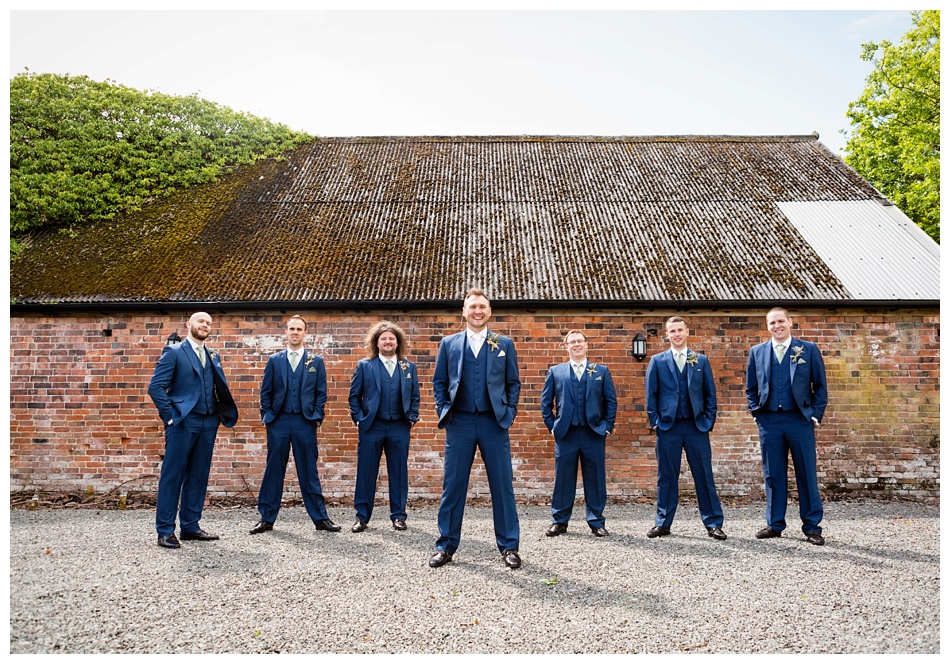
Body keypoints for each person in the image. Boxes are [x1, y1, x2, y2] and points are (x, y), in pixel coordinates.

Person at [429, 288, 522, 569]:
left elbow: (513, 383)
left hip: (494, 423)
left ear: (489, 311)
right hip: (460, 422)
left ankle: (509, 547)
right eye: (472, 307)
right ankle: (445, 546)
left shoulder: (503, 343)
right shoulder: (449, 343)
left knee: (502, 485)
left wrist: (509, 412)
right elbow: (439, 383)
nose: (477, 311)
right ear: (464, 311)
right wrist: (444, 410)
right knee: (453, 485)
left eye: (482, 306)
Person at [148, 312, 238, 549]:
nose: (205, 325)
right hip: (183, 422)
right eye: (201, 321)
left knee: (198, 476)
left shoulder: (212, 355)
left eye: (209, 323)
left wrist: (218, 415)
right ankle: (165, 531)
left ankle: (190, 525)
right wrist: (170, 417)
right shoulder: (174, 352)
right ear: (189, 324)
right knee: (173, 476)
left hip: (209, 422)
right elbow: (156, 387)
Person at [249, 315, 341, 535]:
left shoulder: (315, 362)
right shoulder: (275, 360)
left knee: (309, 471)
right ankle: (266, 518)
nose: (295, 332)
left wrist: (316, 416)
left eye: (299, 329)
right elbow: (266, 392)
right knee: (274, 470)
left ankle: (320, 518)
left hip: (304, 422)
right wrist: (268, 416)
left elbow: (321, 393)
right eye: (291, 328)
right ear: (286, 332)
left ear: (305, 333)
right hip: (278, 422)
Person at [746, 307, 828, 545]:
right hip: (769, 421)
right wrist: (756, 413)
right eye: (772, 323)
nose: (777, 326)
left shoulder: (808, 349)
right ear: (767, 326)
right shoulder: (757, 352)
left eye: (781, 321)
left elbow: (820, 386)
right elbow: (751, 388)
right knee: (773, 474)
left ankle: (812, 527)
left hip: (799, 420)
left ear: (790, 322)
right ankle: (775, 524)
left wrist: (814, 414)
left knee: (806, 473)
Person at [644, 316, 726, 540]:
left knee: (704, 476)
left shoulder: (700, 361)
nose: (677, 334)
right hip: (668, 428)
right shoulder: (657, 361)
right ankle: (663, 523)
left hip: (695, 426)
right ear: (667, 335)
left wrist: (708, 422)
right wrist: (656, 422)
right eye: (672, 331)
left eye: (680, 330)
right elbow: (651, 395)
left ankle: (713, 523)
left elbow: (710, 394)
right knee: (666, 476)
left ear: (687, 332)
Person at [540, 330, 617, 537]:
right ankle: (560, 521)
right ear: (566, 347)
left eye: (579, 341)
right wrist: (553, 426)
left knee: (595, 477)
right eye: (571, 342)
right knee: (563, 478)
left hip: (593, 433)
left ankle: (596, 521)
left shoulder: (601, 371)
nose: (576, 345)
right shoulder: (556, 372)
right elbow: (546, 403)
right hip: (566, 433)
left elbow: (610, 401)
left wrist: (607, 426)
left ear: (586, 344)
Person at [347, 321, 420, 533]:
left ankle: (398, 516)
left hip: (399, 426)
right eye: (383, 339)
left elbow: (415, 396)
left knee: (398, 472)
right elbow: (354, 396)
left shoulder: (409, 367)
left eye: (391, 338)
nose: (388, 342)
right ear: (376, 343)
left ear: (397, 342)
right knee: (366, 471)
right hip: (372, 426)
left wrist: (412, 418)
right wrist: (360, 419)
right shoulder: (365, 366)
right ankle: (362, 516)